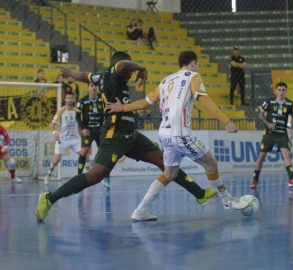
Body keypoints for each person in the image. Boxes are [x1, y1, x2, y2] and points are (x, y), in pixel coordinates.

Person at [36, 51, 217, 222]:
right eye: (129, 70)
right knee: (94, 176)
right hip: (115, 135)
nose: (130, 74)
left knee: (165, 162)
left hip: (131, 135)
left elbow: (86, 76)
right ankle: (49, 198)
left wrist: (71, 73)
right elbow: (123, 65)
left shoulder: (101, 76)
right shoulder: (116, 72)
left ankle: (200, 194)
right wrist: (140, 68)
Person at [107, 50, 249, 221]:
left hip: (164, 134)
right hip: (180, 133)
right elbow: (204, 100)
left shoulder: (165, 81)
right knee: (211, 164)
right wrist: (226, 121)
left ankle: (140, 210)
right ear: (193, 63)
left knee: (170, 174)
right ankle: (227, 200)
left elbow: (145, 102)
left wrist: (122, 107)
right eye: (197, 64)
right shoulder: (193, 76)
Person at [250, 82, 293, 189]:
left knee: (286, 155)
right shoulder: (269, 101)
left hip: (282, 133)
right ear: (276, 91)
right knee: (261, 157)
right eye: (279, 90)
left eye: (283, 90)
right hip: (269, 134)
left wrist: (291, 130)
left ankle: (291, 179)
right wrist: (268, 124)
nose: (281, 92)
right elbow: (260, 113)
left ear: (286, 91)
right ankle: (255, 180)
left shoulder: (290, 104)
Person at [76, 82, 111, 188]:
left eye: (95, 86)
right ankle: (79, 177)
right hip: (88, 131)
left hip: (100, 131)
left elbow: (108, 113)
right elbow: (77, 116)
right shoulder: (82, 101)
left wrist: (106, 127)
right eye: (91, 86)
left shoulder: (102, 99)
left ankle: (106, 177)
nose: (94, 88)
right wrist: (82, 128)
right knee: (83, 152)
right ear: (88, 88)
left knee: (104, 153)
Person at [44, 91, 83, 185]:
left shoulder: (78, 111)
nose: (70, 100)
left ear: (74, 99)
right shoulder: (61, 111)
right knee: (56, 159)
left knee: (84, 155)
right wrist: (54, 133)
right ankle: (48, 175)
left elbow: (81, 125)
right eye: (68, 98)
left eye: (71, 98)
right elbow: (53, 124)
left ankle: (88, 176)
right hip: (63, 139)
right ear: (65, 99)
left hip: (75, 139)